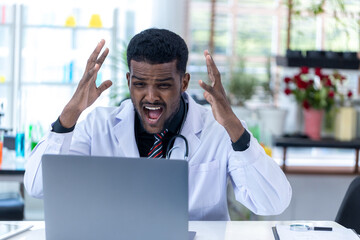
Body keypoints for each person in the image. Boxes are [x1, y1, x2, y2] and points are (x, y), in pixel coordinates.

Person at [24, 28, 291, 220]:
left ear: (184, 83)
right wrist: (71, 113)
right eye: (139, 84)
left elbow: (273, 202)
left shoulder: (218, 130)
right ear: (129, 80)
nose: (150, 96)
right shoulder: (98, 127)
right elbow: (37, 187)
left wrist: (234, 127)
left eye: (163, 85)